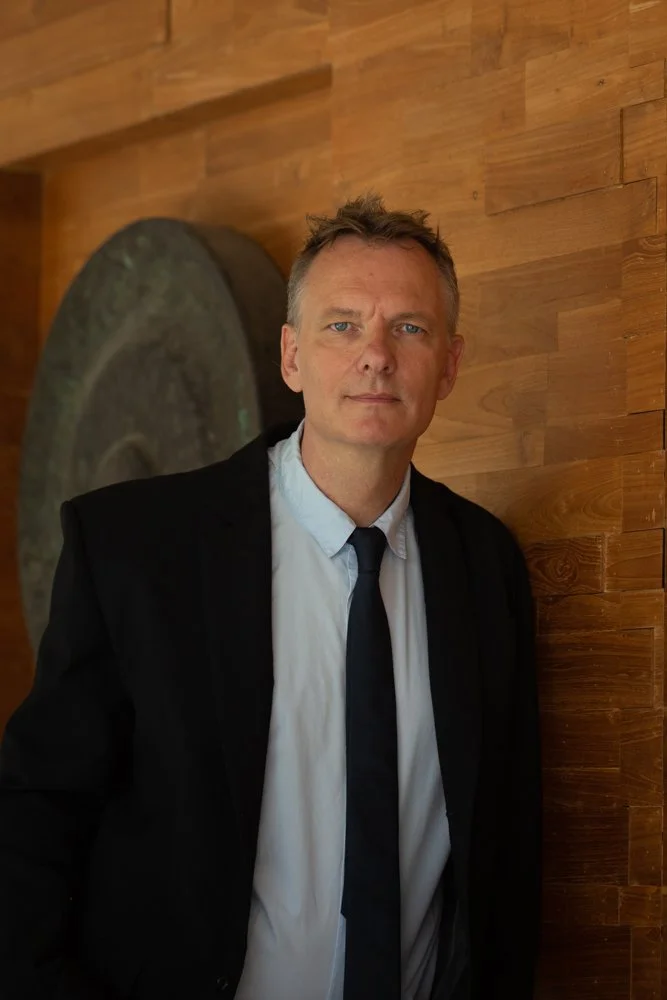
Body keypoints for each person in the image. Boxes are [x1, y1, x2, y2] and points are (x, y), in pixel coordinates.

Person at [0, 194, 541, 1000]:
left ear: (451, 365)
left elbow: (503, 848)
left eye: (409, 328)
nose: (375, 356)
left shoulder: (485, 565)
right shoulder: (136, 552)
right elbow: (35, 813)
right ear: (290, 357)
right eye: (342, 325)